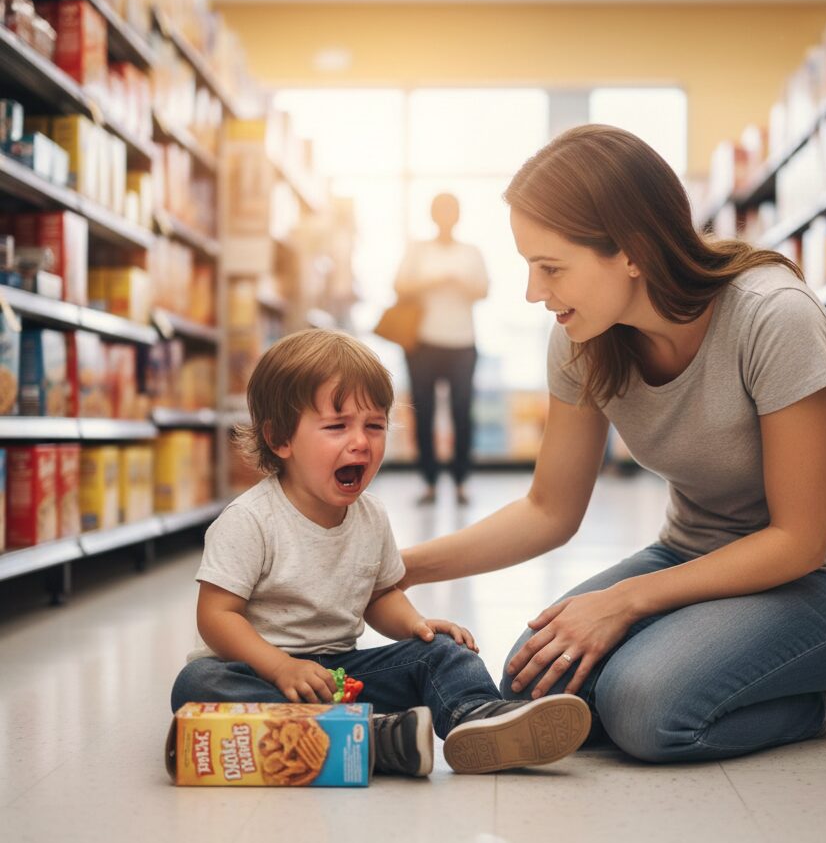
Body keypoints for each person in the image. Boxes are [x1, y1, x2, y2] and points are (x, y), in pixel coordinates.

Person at [400, 124, 826, 764]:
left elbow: (799, 541)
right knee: (530, 683)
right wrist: (398, 568)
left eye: (551, 267)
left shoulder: (773, 316)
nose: (533, 292)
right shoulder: (582, 338)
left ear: (632, 251)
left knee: (647, 710)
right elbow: (549, 509)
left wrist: (624, 602)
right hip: (693, 554)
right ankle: (678, 675)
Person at [169, 328, 590, 777]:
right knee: (198, 684)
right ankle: (374, 736)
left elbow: (379, 594)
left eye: (374, 425)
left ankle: (478, 718)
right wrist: (280, 668)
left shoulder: (371, 516)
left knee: (443, 652)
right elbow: (216, 615)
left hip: (339, 675)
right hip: (257, 671)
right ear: (279, 439)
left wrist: (415, 625)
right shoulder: (251, 520)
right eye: (337, 426)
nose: (361, 442)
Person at [394, 193, 488, 506]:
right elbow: (399, 286)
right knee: (423, 412)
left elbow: (484, 290)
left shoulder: (471, 252)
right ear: (432, 214)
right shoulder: (418, 250)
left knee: (463, 412)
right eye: (441, 210)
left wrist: (460, 283)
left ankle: (461, 481)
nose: (447, 215)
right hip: (422, 342)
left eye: (452, 210)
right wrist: (434, 281)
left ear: (459, 215)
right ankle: (430, 482)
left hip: (462, 342)